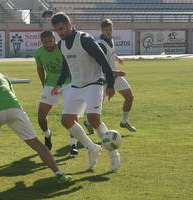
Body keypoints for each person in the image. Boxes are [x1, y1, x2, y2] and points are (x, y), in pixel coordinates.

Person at [0, 56, 72, 183]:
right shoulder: (2, 76)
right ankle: (59, 174)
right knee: (36, 143)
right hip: (15, 109)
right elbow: (9, 95)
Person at [51, 12, 121, 171]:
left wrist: (110, 84)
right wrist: (59, 84)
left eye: (62, 28)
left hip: (94, 84)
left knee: (94, 119)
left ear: (69, 25)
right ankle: (92, 148)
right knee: (66, 120)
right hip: (76, 86)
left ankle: (113, 154)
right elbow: (66, 67)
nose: (60, 33)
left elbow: (103, 61)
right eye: (57, 30)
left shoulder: (84, 39)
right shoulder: (61, 45)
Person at [34, 30, 78, 155]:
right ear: (41, 42)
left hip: (68, 82)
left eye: (50, 41)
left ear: (54, 39)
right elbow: (40, 69)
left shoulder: (62, 47)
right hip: (51, 84)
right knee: (41, 115)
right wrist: (44, 84)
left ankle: (73, 144)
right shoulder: (38, 53)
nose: (48, 44)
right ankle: (47, 135)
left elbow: (70, 65)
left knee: (71, 114)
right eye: (45, 42)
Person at [98, 19, 137, 132]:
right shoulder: (101, 45)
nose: (109, 32)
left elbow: (111, 54)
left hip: (115, 74)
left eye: (110, 29)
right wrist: (116, 72)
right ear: (102, 30)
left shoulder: (110, 40)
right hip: (104, 77)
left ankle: (124, 122)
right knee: (98, 106)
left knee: (129, 97)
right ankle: (89, 122)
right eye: (106, 30)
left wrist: (117, 58)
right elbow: (101, 65)